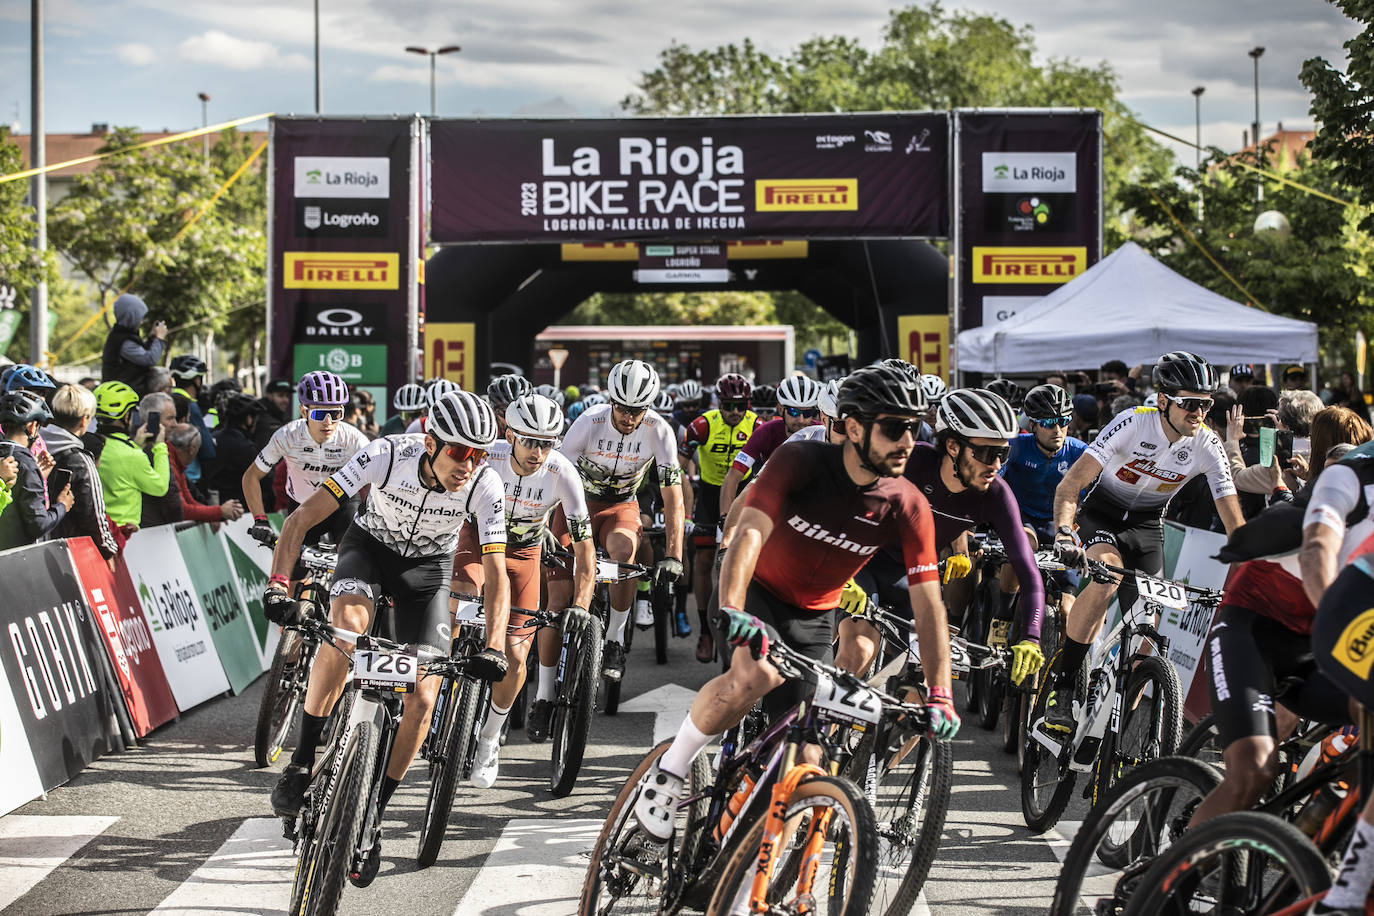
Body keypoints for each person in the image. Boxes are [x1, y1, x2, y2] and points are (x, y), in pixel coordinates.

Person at [630, 365, 957, 842]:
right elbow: (747, 534)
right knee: (755, 675)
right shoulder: (799, 459)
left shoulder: (906, 502)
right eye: (893, 427)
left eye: (913, 426)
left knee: (806, 762)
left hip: (814, 618)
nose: (908, 440)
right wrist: (735, 609)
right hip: (755, 590)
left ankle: (745, 879)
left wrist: (940, 691)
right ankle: (670, 769)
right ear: (853, 426)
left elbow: (930, 609)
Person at [267, 390, 510, 884]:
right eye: (460, 451)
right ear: (431, 442)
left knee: (424, 691)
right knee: (346, 633)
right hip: (368, 552)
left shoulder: (485, 484)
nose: (470, 464)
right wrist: (278, 586)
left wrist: (495, 646)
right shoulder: (386, 453)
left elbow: (497, 572)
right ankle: (303, 758)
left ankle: (372, 814)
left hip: (427, 574)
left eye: (480, 453)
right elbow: (299, 519)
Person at [1044, 351, 1244, 735]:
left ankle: (1116, 726)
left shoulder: (1207, 444)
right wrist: (1066, 533)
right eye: (1191, 403)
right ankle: (1064, 685)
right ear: (1165, 400)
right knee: (1106, 581)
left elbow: (1236, 523)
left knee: (1146, 636)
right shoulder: (1133, 424)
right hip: (1101, 517)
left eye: (1207, 404)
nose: (1200, 412)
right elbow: (1070, 486)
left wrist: (1251, 568)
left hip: (1147, 528)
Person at [456, 394, 596, 783]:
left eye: (547, 442)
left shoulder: (563, 472)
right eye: (530, 441)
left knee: (517, 659)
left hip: (524, 552)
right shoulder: (487, 456)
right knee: (459, 593)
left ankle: (489, 738)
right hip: (476, 537)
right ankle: (436, 697)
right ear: (509, 434)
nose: (538, 451)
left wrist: (582, 604)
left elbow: (586, 549)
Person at [558, 358, 685, 682]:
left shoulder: (658, 430)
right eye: (622, 408)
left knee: (625, 552)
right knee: (557, 565)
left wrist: (673, 555)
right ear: (611, 401)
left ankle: (615, 638)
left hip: (621, 505)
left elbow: (673, 495)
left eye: (637, 410)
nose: (628, 417)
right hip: (578, 503)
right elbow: (553, 477)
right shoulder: (589, 421)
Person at [243, 372, 368, 583]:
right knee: (291, 581)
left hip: (343, 507)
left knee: (351, 566)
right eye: (320, 414)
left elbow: (380, 481)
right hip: (303, 507)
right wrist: (260, 520)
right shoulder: (287, 436)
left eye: (335, 414)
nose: (328, 422)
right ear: (303, 411)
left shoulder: (352, 438)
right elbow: (251, 477)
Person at [680, 374, 763, 660]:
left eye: (741, 406)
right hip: (709, 494)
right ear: (719, 402)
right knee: (703, 560)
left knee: (745, 558)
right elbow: (678, 468)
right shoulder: (702, 425)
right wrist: (686, 504)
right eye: (729, 405)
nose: (735, 412)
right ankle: (705, 630)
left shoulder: (756, 425)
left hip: (743, 494)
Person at [43, 385, 117, 556]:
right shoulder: (80, 460)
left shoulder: (35, 446)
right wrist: (109, 550)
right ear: (84, 420)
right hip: (67, 554)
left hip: (31, 547)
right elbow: (94, 514)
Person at [89, 382, 168, 532]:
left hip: (98, 529)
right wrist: (160, 447)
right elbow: (160, 487)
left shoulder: (92, 445)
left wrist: (136, 445)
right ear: (126, 416)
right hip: (124, 533)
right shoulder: (132, 456)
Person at [0, 391, 71, 550]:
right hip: (15, 560)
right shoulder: (26, 463)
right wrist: (61, 507)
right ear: (32, 427)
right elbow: (38, 525)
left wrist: (39, 476)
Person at [205, 393, 265, 507]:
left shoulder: (213, 437)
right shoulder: (244, 447)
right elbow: (264, 479)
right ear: (248, 419)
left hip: (214, 505)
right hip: (238, 510)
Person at [101, 293, 167, 395]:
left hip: (125, 395)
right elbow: (149, 359)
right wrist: (159, 339)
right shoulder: (123, 341)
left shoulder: (121, 336)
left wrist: (152, 338)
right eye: (139, 317)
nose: (141, 322)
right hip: (122, 398)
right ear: (131, 317)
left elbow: (140, 356)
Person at [168, 355, 216, 478]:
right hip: (189, 476)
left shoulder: (166, 401)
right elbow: (208, 451)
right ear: (197, 381)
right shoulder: (191, 406)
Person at [254, 379, 293, 449]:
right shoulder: (258, 417)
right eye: (281, 395)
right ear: (269, 396)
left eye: (287, 396)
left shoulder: (286, 418)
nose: (285, 400)